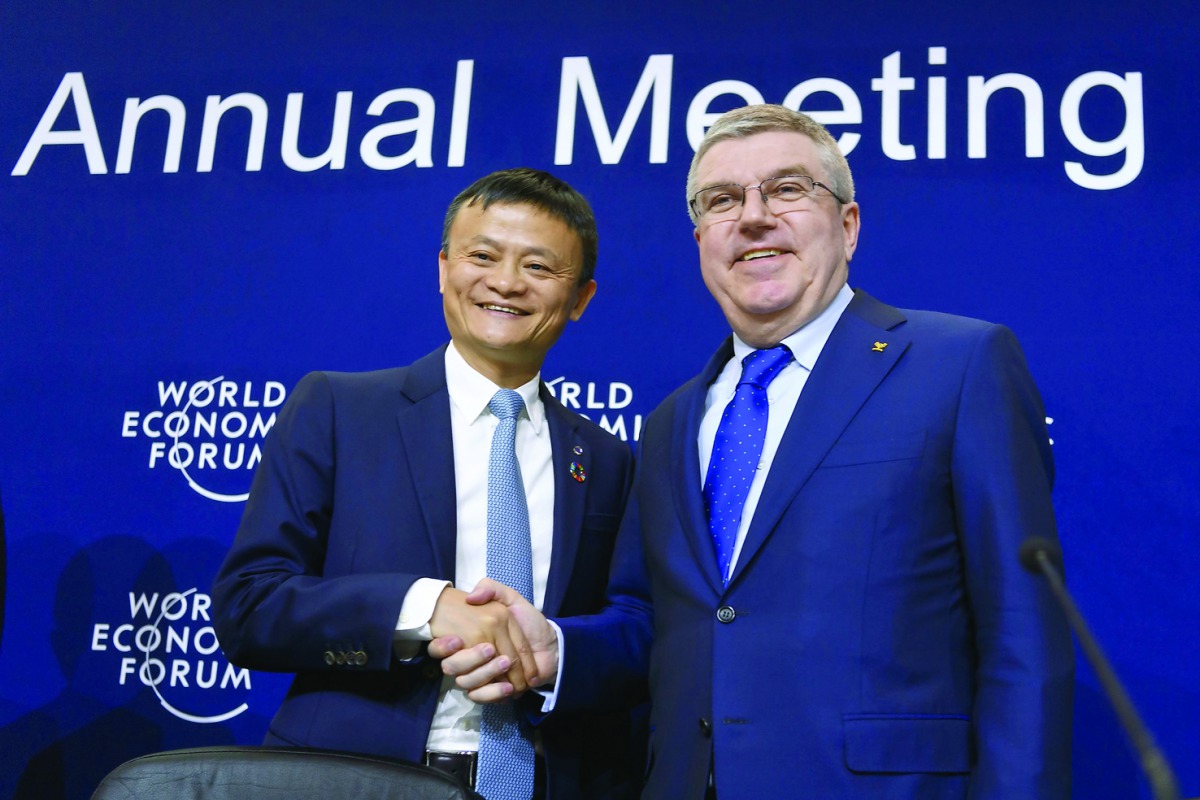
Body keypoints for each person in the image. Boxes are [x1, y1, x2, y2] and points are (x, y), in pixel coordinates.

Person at [440, 105, 1074, 798]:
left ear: (848, 225)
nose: (753, 216)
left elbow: (1024, 637)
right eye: (722, 201)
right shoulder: (674, 421)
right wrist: (557, 651)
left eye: (787, 189)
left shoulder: (959, 364)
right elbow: (655, 623)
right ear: (701, 240)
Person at [211, 168, 642, 799]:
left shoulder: (608, 461)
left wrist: (559, 650)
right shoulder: (338, 410)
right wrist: (423, 608)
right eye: (482, 255)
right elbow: (249, 606)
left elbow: (637, 628)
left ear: (580, 298)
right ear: (444, 269)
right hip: (351, 780)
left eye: (540, 267)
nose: (505, 282)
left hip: (545, 782)